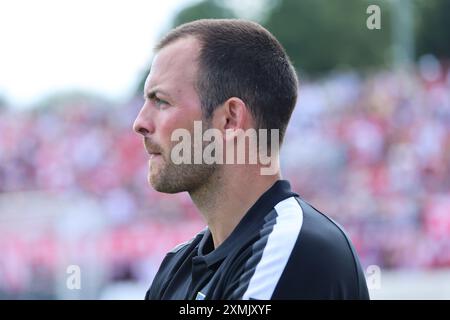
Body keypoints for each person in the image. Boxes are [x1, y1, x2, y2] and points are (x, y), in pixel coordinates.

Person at [133, 19, 369, 300]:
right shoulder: (176, 267)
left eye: (161, 101)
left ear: (230, 119)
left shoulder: (294, 246)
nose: (140, 122)